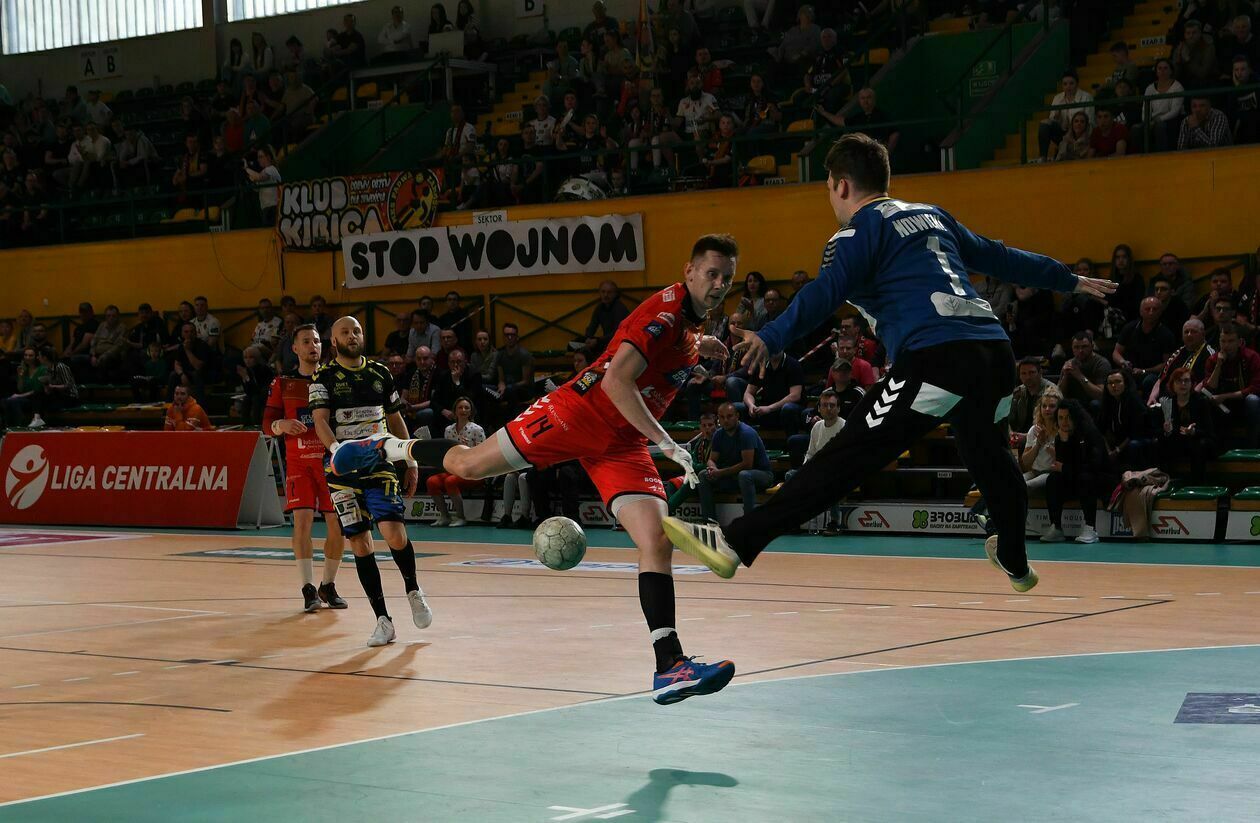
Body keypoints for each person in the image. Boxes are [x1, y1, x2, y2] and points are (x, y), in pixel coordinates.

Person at [656, 133, 1115, 592]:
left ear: (840, 185)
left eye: (828, 188)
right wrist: (1066, 278)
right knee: (991, 456)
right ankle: (1015, 558)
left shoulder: (856, 232)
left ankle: (734, 543)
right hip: (994, 353)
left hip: (936, 357)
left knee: (846, 456)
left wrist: (772, 335)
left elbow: (824, 292)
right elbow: (1000, 256)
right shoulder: (932, 215)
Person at [334, 235, 741, 705]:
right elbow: (617, 380)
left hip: (621, 441)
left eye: (726, 279)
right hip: (576, 414)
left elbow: (671, 348)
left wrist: (700, 344)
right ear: (689, 271)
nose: (718, 285)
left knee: (655, 540)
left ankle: (669, 665)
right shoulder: (665, 314)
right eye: (711, 274)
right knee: (469, 465)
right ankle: (386, 446)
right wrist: (667, 443)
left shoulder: (688, 323)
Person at [312, 317, 433, 647]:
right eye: (345, 332)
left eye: (357, 331)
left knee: (394, 533)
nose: (352, 336)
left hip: (379, 463)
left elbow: (395, 418)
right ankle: (383, 620)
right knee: (360, 543)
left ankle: (413, 590)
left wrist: (410, 460)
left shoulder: (380, 373)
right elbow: (320, 421)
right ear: (334, 341)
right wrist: (337, 452)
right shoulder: (323, 377)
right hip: (341, 472)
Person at [263, 324, 347, 612]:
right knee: (302, 522)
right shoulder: (282, 383)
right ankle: (308, 588)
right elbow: (266, 424)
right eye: (307, 342)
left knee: (337, 525)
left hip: (331, 464)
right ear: (295, 348)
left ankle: (328, 585)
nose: (313, 346)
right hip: (300, 464)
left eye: (317, 341)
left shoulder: (334, 378)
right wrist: (282, 424)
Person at [1042, 400, 1114, 544]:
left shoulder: (1090, 433)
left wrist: (1065, 468)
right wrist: (1064, 443)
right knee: (1053, 479)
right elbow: (1061, 466)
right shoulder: (1061, 436)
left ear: (1075, 417)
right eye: (1060, 418)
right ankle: (1056, 527)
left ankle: (1091, 528)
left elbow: (1093, 466)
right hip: (1076, 478)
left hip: (1100, 480)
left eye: (1068, 417)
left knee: (1085, 478)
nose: (1064, 422)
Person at [427, 397, 486, 527]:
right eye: (460, 407)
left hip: (474, 472)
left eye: (466, 408)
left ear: (471, 411)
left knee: (451, 481)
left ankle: (461, 517)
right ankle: (445, 516)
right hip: (454, 469)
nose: (463, 410)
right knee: (432, 481)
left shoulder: (477, 429)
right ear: (455, 411)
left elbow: (483, 454)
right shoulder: (449, 430)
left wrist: (469, 449)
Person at [1202, 323, 1260, 447]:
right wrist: (1218, 365)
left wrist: (1225, 396)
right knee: (1204, 401)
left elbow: (1255, 388)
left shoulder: (1251, 357)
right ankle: (1214, 447)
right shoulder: (1213, 360)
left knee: (1253, 400)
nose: (1226, 345)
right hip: (1221, 404)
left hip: (1243, 400)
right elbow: (1210, 388)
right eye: (1223, 341)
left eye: (1231, 341)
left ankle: (1253, 446)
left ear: (1240, 342)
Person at [1158, 366, 1218, 481]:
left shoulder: (1201, 401)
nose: (1183, 384)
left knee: (1199, 445)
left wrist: (1194, 432)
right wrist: (1166, 431)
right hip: (1178, 440)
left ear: (1192, 384)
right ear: (1172, 384)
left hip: (1198, 439)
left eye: (1186, 381)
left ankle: (1197, 483)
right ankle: (1167, 481)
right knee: (1160, 442)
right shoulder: (1168, 402)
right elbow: (1160, 430)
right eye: (1179, 381)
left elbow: (1209, 431)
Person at [1098, 370, 1153, 470]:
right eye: (1110, 383)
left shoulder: (1134, 400)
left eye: (1118, 381)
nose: (1114, 386)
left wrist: (1117, 450)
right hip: (1119, 439)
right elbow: (1101, 429)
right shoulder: (1107, 402)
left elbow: (1135, 432)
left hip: (1138, 438)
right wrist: (1108, 451)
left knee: (1133, 445)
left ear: (1125, 384)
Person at [1020, 386, 1062, 494]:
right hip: (1034, 471)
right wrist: (1038, 444)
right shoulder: (1034, 430)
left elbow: (1063, 460)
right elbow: (1025, 462)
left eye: (1052, 406)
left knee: (1026, 486)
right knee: (1013, 482)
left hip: (1051, 473)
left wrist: (1046, 443)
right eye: (1044, 406)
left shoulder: (1062, 430)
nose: (1047, 409)